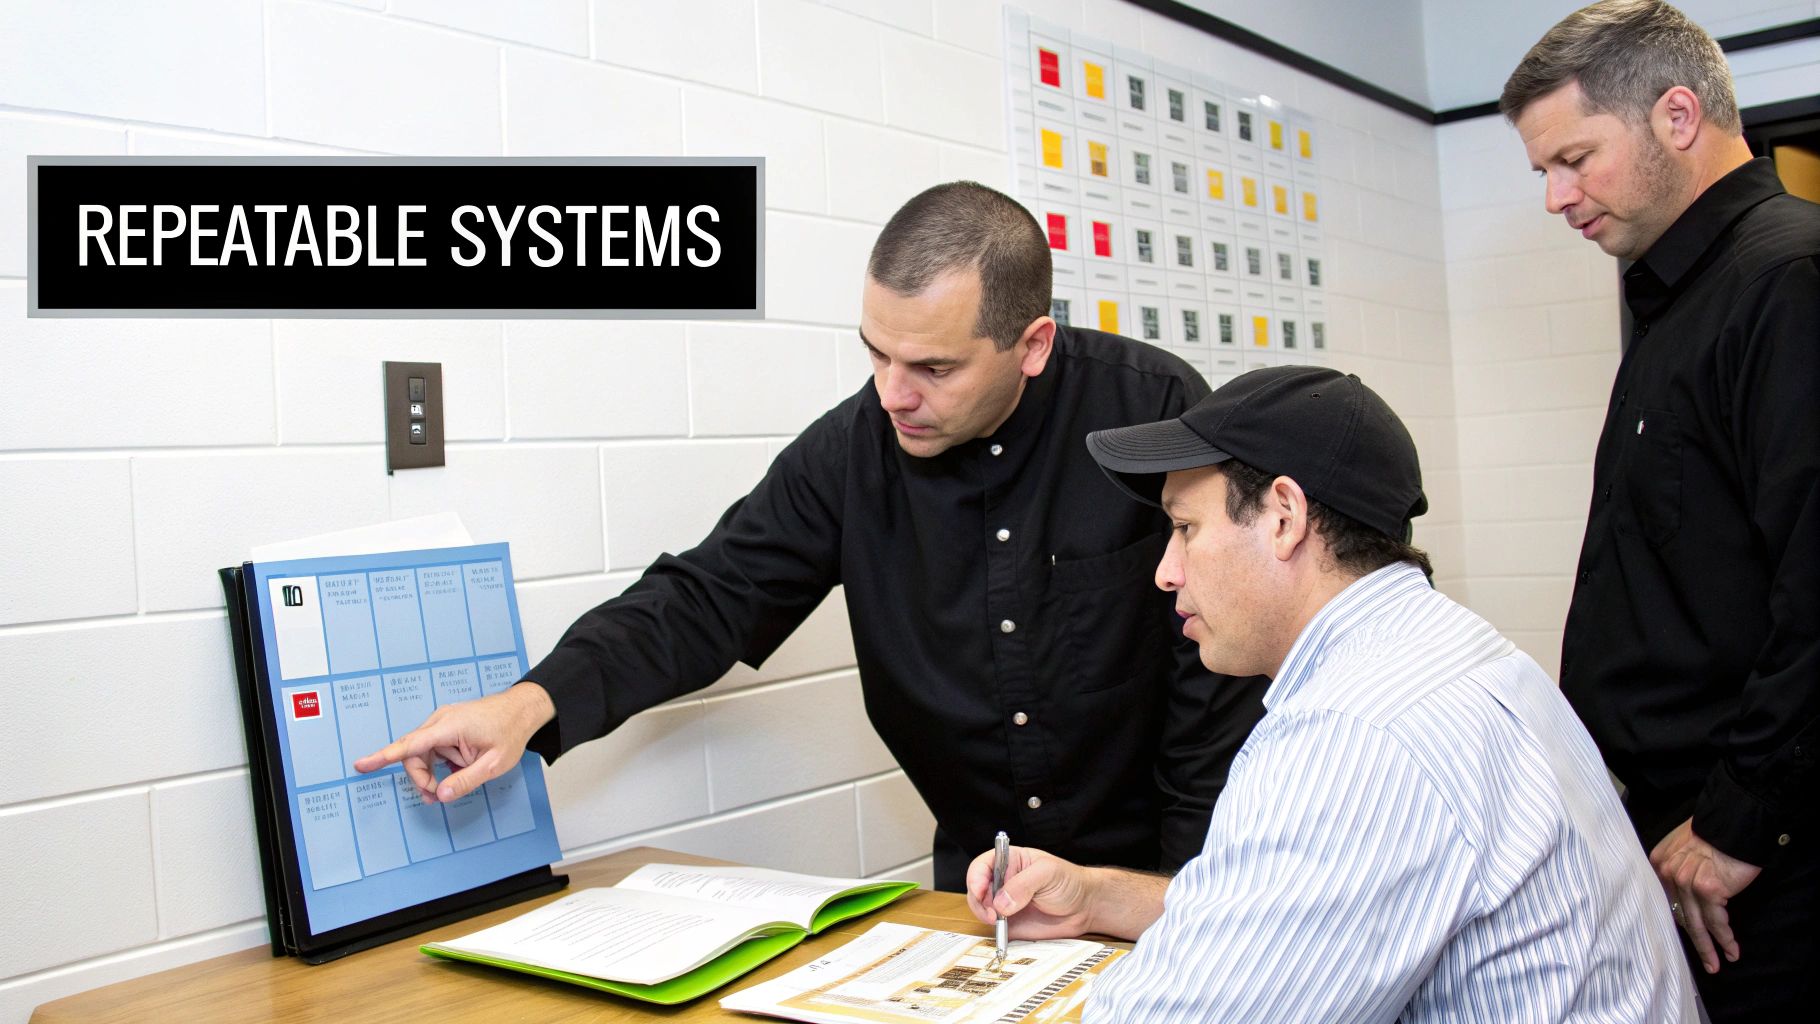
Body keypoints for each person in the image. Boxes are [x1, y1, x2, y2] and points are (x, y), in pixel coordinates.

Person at [354, 181, 1269, 890]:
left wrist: (1178, 904)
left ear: (1032, 345)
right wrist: (529, 705)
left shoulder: (1153, 413)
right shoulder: (852, 451)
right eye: (876, 352)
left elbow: (1217, 686)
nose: (893, 394)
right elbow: (707, 597)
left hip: (1174, 877)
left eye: (934, 367)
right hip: (983, 892)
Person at [966, 365, 1696, 1022]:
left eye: (1185, 528)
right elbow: (1280, 918)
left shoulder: (1356, 731)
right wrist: (1095, 896)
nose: (1166, 571)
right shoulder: (1454, 652)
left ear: (1284, 517)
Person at [1501, 2, 1820, 1015]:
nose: (1556, 197)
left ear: (1676, 116)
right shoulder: (1671, 295)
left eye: (1574, 159)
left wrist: (1740, 819)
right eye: (1543, 170)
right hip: (1672, 838)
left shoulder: (1788, 279)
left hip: (1757, 862)